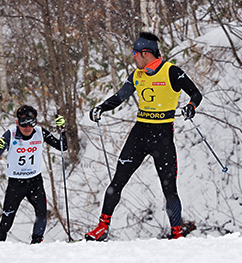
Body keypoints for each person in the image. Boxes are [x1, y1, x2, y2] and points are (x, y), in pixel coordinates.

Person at [85, 32, 203, 241]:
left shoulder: (171, 71)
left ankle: (177, 234)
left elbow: (196, 93)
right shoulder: (137, 75)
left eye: (135, 53)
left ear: (146, 54)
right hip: (139, 134)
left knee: (169, 189)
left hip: (163, 137)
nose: (133, 57)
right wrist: (101, 108)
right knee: (117, 182)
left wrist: (191, 107)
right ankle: (102, 228)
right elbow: (120, 96)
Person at [0, 105, 67, 244]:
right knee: (7, 220)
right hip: (16, 183)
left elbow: (62, 147)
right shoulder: (11, 134)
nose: (27, 128)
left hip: (35, 182)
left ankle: (36, 246)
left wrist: (62, 130)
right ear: (17, 122)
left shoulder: (40, 132)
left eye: (31, 124)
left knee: (42, 215)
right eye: (23, 124)